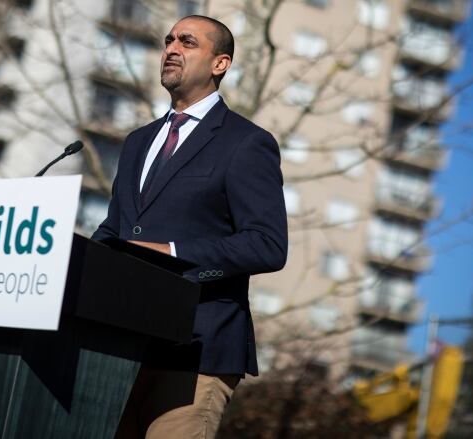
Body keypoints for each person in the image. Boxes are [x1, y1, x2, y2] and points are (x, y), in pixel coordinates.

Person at [91, 15, 288, 439]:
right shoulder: (137, 142)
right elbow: (114, 231)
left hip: (197, 352)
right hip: (119, 347)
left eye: (187, 42)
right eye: (167, 41)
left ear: (220, 63)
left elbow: (267, 245)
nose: (171, 49)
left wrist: (176, 253)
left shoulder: (246, 142)